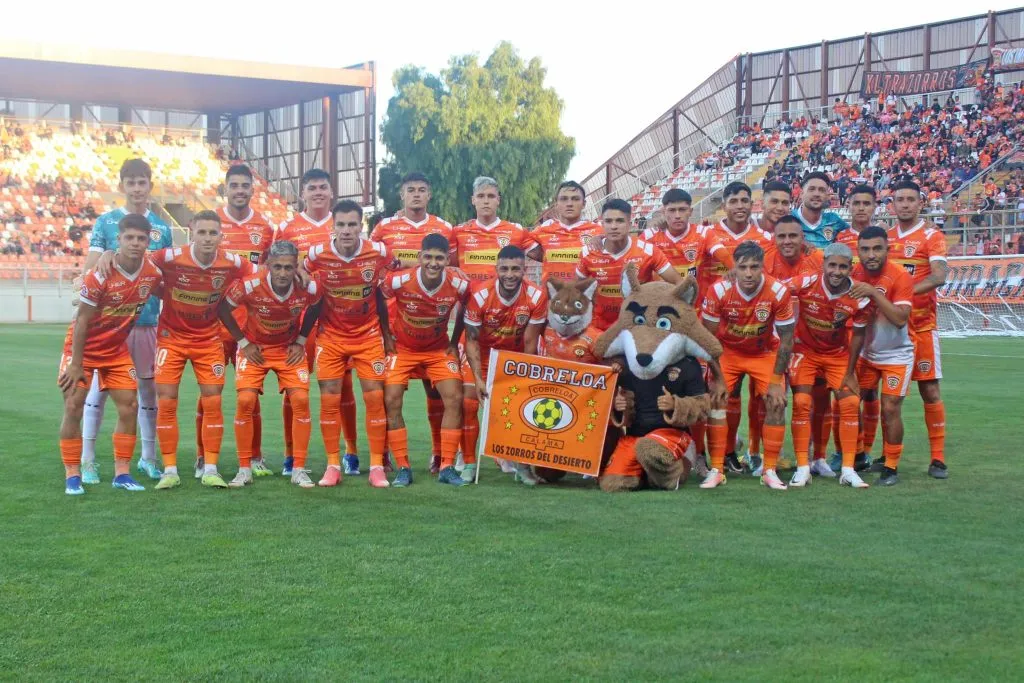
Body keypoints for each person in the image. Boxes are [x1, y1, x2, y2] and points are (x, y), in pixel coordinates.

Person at [77, 159, 172, 484]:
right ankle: (87, 459)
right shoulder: (106, 222)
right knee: (98, 390)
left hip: (145, 321)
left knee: (147, 391)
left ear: (149, 185)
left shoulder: (163, 228)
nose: (136, 188)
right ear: (122, 186)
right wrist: (103, 257)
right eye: (130, 182)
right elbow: (92, 266)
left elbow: (165, 273)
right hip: (107, 326)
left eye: (141, 182)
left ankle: (148, 457)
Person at [58, 213, 164, 495]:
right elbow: (81, 321)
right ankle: (72, 473)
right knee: (73, 405)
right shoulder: (100, 274)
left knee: (129, 406)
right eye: (129, 237)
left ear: (147, 242)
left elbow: (168, 289)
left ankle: (122, 473)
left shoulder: (152, 273)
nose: (135, 243)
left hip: (116, 350)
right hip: (82, 348)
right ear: (119, 240)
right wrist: (76, 364)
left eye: (141, 238)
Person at [148, 211, 254, 489]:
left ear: (221, 236)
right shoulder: (170, 257)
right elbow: (139, 264)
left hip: (208, 340)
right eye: (202, 232)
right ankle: (169, 469)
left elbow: (260, 273)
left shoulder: (231, 262)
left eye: (213, 233)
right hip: (171, 338)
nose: (208, 238)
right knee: (167, 400)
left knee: (213, 401)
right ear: (191, 231)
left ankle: (210, 467)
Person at [303, 200, 393, 488]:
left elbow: (380, 292)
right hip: (330, 337)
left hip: (368, 336)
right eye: (340, 225)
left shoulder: (378, 252)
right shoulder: (317, 254)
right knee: (329, 399)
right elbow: (305, 278)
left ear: (360, 226)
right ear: (333, 227)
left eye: (352, 224)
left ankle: (377, 465)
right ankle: (333, 464)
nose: (346, 230)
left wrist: (388, 334)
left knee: (374, 398)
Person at [276, 169, 360, 477]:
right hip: (298, 321)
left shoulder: (341, 224)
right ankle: (289, 455)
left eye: (323, 187)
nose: (318, 192)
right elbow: (272, 270)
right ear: (302, 194)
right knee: (293, 387)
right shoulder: (287, 227)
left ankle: (350, 452)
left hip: (336, 321)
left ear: (331, 192)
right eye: (311, 188)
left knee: (344, 388)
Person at [217, 240, 321, 488]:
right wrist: (242, 342)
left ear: (296, 267)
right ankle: (244, 469)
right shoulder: (250, 285)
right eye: (277, 267)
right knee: (245, 401)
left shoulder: (307, 287)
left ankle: (298, 469)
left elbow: (318, 305)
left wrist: (301, 340)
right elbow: (223, 308)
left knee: (301, 400)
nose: (283, 273)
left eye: (288, 267)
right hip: (256, 349)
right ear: (267, 266)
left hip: (288, 350)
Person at [371, 172, 456, 474]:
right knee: (389, 395)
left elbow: (451, 270)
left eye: (422, 189)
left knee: (435, 393)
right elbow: (374, 266)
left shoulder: (444, 228)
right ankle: (382, 454)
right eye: (411, 190)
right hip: (396, 325)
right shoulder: (384, 228)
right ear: (401, 194)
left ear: (429, 194)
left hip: (430, 326)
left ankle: (438, 455)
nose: (416, 195)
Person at [699, 240, 795, 490]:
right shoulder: (719, 290)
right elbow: (708, 338)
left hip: (764, 353)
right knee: (717, 399)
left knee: (776, 403)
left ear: (763, 267)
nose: (749, 273)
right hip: (728, 352)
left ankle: (770, 470)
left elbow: (786, 340)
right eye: (743, 267)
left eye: (755, 267)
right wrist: (718, 377)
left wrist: (776, 382)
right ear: (735, 268)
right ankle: (717, 469)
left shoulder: (778, 291)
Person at [380, 234, 471, 487]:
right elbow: (378, 296)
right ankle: (403, 467)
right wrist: (386, 335)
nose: (433, 263)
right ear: (420, 257)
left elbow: (465, 307)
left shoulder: (459, 284)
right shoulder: (399, 280)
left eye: (439, 258)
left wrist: (454, 341)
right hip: (403, 350)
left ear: (448, 259)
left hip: (438, 350)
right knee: (391, 399)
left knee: (455, 397)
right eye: (428, 257)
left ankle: (447, 466)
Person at [204, 164, 276, 476]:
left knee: (251, 394)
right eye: (234, 185)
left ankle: (255, 456)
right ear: (226, 188)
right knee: (210, 394)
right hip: (213, 323)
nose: (239, 190)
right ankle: (203, 457)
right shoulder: (211, 223)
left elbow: (271, 271)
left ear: (252, 189)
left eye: (245, 185)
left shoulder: (265, 227)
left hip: (251, 324)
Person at [699, 182, 773, 473]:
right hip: (712, 323)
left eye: (745, 200)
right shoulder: (709, 233)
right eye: (734, 200)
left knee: (760, 397)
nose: (740, 205)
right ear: (724, 204)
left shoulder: (764, 237)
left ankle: (757, 454)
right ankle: (721, 453)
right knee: (719, 394)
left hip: (753, 325)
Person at [462, 245, 548, 484]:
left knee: (519, 407)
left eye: (515, 269)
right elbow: (471, 340)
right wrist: (479, 378)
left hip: (513, 358)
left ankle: (522, 467)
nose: (510, 274)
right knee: (469, 403)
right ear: (496, 269)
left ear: (524, 270)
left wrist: (523, 374)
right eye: (504, 268)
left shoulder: (536, 296)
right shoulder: (480, 294)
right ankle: (468, 461)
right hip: (482, 355)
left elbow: (531, 341)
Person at [788, 243, 871, 488]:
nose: (836, 271)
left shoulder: (859, 296)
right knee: (802, 403)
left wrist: (850, 371)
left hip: (837, 355)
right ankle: (803, 467)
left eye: (842, 266)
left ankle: (848, 469)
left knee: (850, 403)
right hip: (806, 352)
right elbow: (775, 291)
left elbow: (858, 335)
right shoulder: (805, 282)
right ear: (823, 264)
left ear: (850, 268)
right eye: (832, 265)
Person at [885, 180, 949, 479]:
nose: (905, 204)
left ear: (920, 203)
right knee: (885, 397)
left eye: (911, 199)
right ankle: (887, 456)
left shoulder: (931, 236)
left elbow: (939, 276)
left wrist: (904, 294)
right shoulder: (885, 239)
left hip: (923, 327)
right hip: (892, 331)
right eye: (900, 199)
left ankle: (937, 458)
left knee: (930, 390)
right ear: (892, 204)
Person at [849, 226, 915, 486]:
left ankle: (891, 465)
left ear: (887, 249)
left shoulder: (900, 276)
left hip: (897, 355)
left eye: (877, 248)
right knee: (849, 402)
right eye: (865, 249)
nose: (871, 254)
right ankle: (857, 455)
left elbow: (900, 319)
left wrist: (873, 293)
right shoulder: (854, 274)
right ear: (858, 251)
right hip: (866, 354)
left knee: (890, 408)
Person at [576, 198, 679, 331]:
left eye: (619, 221)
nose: (613, 226)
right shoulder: (587, 253)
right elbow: (577, 291)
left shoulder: (648, 251)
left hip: (640, 329)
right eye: (608, 221)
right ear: (602, 224)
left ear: (629, 224)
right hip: (601, 329)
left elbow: (678, 282)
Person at [452, 176, 541, 283]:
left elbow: (544, 256)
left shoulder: (516, 231)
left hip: (503, 298)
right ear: (473, 200)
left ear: (498, 200)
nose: (486, 201)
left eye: (491, 196)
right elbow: (448, 265)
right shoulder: (458, 232)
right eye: (480, 196)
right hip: (469, 297)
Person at [532, 181, 603, 284]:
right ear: (556, 204)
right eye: (564, 199)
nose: (569, 204)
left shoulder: (599, 231)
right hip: (552, 298)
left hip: (584, 298)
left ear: (584, 204)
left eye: (575, 199)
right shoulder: (543, 231)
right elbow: (520, 243)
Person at [792, 172, 849, 248]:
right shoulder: (789, 219)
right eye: (811, 189)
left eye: (822, 190)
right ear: (802, 193)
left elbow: (853, 234)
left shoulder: (834, 220)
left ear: (827, 196)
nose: (816, 194)